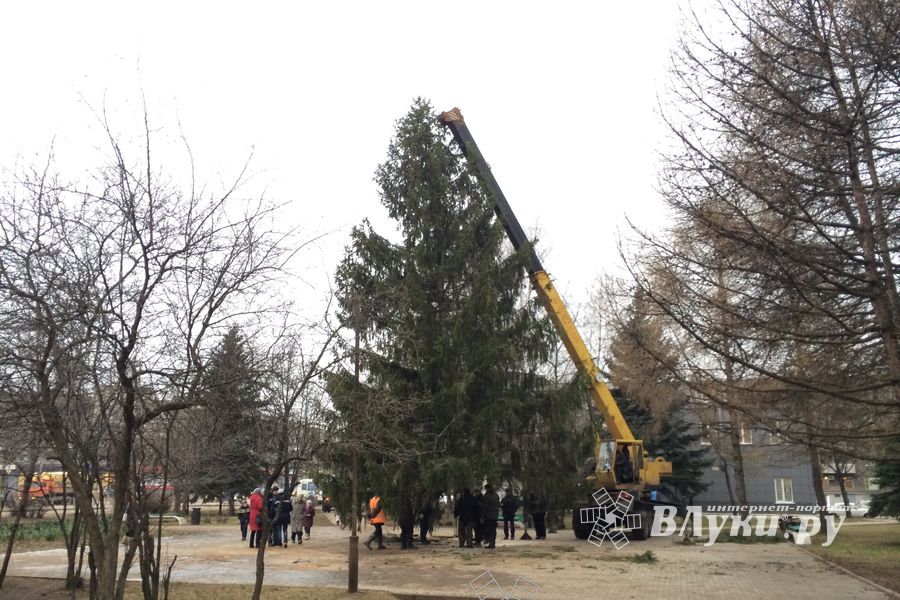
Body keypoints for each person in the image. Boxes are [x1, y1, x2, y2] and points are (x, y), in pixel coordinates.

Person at [481, 484, 500, 549]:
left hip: (488, 516)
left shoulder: (487, 496)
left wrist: (483, 516)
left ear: (487, 488)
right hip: (494, 515)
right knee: (493, 530)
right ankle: (492, 543)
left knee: (489, 530)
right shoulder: (496, 495)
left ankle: (491, 544)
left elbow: (485, 507)